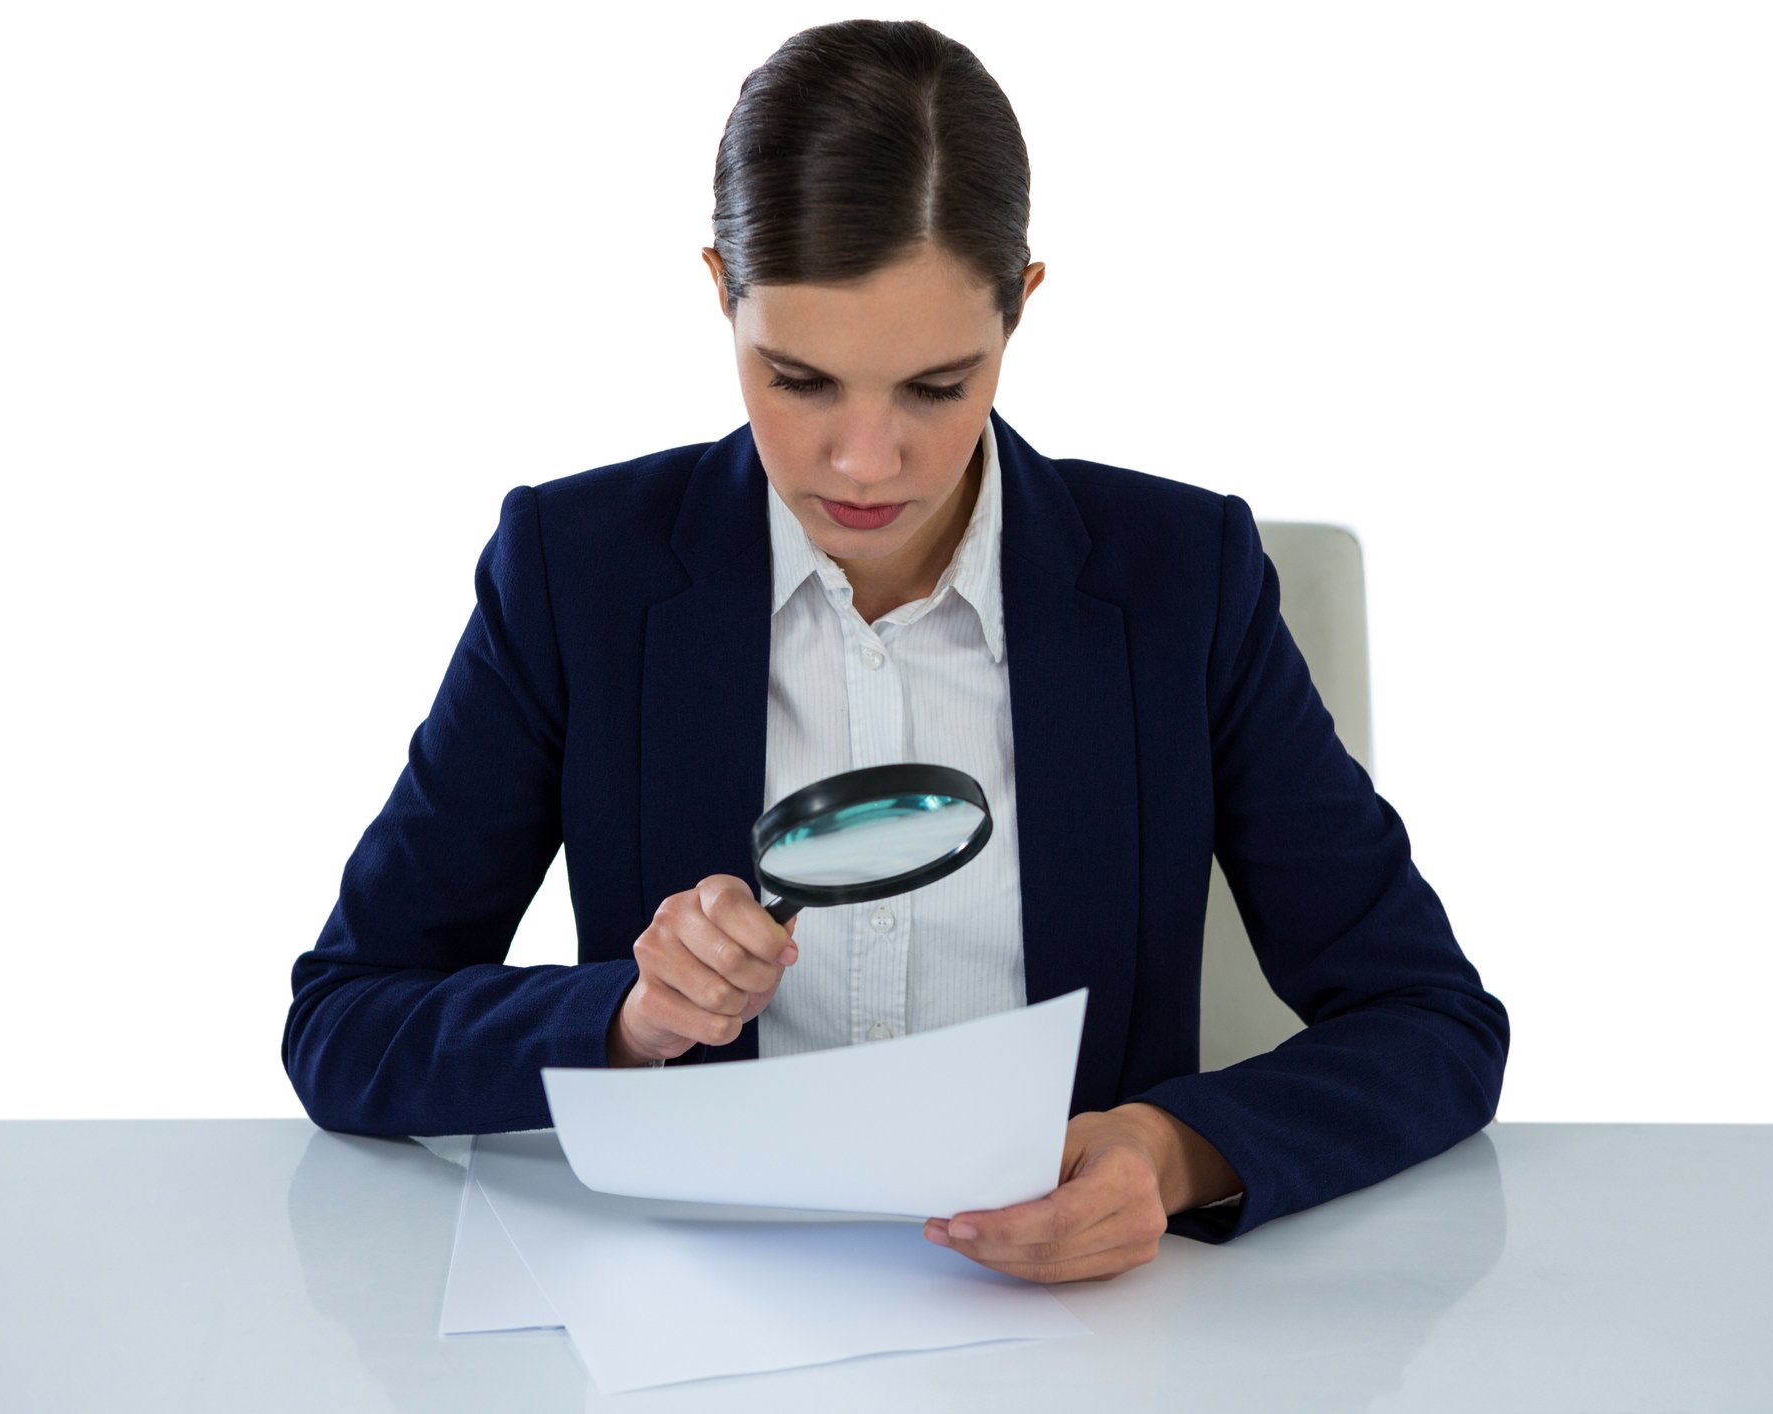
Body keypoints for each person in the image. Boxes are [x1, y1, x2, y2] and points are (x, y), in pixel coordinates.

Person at [283, 18, 1508, 1286]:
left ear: (1020, 309)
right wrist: (623, 1018)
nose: (866, 463)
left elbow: (1432, 1023)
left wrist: (1171, 1149)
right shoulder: (577, 572)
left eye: (936, 385)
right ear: (721, 292)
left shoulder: (1180, 579)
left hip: (1085, 1337)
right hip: (695, 1323)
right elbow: (344, 1021)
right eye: (799, 379)